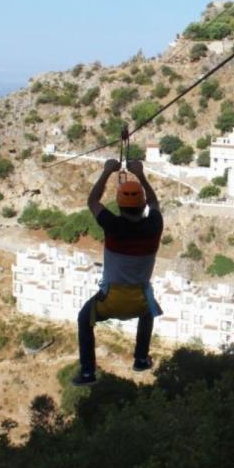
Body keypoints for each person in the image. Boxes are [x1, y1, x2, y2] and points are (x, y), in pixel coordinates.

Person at [73, 158, 163, 386]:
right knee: (149, 309)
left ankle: (87, 372)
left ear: (119, 206)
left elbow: (92, 201)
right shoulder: (154, 226)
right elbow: (154, 203)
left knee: (85, 318)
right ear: (142, 206)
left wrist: (106, 172)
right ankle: (141, 358)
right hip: (139, 301)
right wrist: (140, 174)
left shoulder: (112, 226)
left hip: (110, 301)